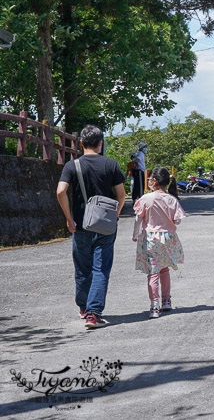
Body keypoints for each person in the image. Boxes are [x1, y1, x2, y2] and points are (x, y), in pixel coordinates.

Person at [55, 125, 127, 329]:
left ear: (81, 143)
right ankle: (93, 314)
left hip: (81, 225)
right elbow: (121, 195)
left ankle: (84, 308)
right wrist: (116, 214)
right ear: (100, 143)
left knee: (83, 268)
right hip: (105, 226)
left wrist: (69, 218)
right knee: (101, 269)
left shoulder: (72, 166)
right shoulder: (111, 165)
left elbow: (61, 192)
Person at [132, 166, 186, 319]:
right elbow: (177, 220)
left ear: (154, 181)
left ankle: (154, 305)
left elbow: (138, 219)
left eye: (149, 179)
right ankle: (166, 300)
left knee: (153, 272)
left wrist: (135, 234)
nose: (148, 181)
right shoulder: (171, 199)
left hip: (151, 239)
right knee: (164, 269)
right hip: (168, 238)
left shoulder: (145, 199)